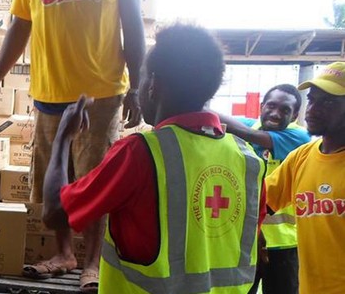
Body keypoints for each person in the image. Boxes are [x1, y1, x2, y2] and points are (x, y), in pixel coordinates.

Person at [42, 24, 266, 293]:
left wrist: (63, 138)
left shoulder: (140, 152)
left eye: (142, 76)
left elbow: (55, 212)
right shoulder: (247, 160)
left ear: (153, 85)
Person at [0, 0, 146, 288]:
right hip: (48, 94)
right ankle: (64, 253)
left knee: (95, 180)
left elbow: (132, 26)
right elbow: (20, 24)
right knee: (52, 181)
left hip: (100, 95)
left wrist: (137, 85)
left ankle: (93, 262)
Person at [219, 84, 310, 294]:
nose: (276, 113)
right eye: (271, 105)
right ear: (262, 106)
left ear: (295, 115)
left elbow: (245, 132)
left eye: (285, 110)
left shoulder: (298, 138)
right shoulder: (250, 126)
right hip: (245, 241)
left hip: (283, 245)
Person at [264, 61, 345, 294]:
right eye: (312, 99)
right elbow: (261, 203)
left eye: (328, 102)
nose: (313, 109)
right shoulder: (301, 158)